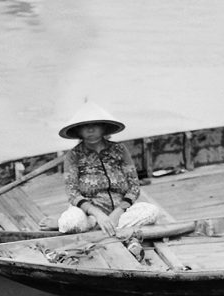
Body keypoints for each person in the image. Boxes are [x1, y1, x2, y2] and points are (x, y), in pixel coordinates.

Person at [51, 101, 159, 237]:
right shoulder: (73, 156)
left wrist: (118, 212)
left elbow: (134, 187)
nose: (90, 130)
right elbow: (72, 192)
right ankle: (102, 227)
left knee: (151, 211)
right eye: (85, 126)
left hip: (121, 213)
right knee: (70, 223)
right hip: (89, 214)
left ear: (103, 127)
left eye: (95, 125)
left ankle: (101, 230)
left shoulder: (119, 150)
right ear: (79, 130)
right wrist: (98, 214)